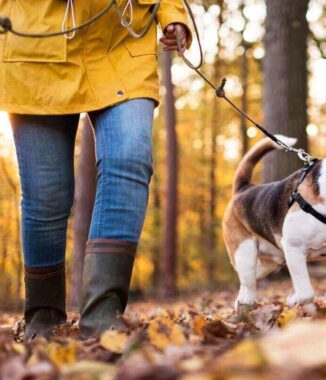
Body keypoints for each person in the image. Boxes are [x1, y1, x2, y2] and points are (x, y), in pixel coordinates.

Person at [0, 0, 191, 340]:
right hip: (35, 50)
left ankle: (103, 315)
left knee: (130, 159)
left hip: (121, 44)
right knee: (46, 196)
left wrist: (174, 16)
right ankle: (43, 318)